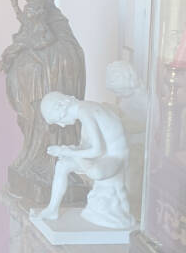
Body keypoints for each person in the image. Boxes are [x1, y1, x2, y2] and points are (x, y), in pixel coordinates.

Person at [33, 91, 134, 229]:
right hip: (104, 157)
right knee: (62, 165)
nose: (62, 125)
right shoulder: (85, 109)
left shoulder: (85, 112)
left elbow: (97, 150)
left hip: (115, 159)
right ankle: (52, 209)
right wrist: (69, 151)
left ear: (61, 107)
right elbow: (86, 147)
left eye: (58, 120)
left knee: (94, 173)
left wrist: (66, 151)